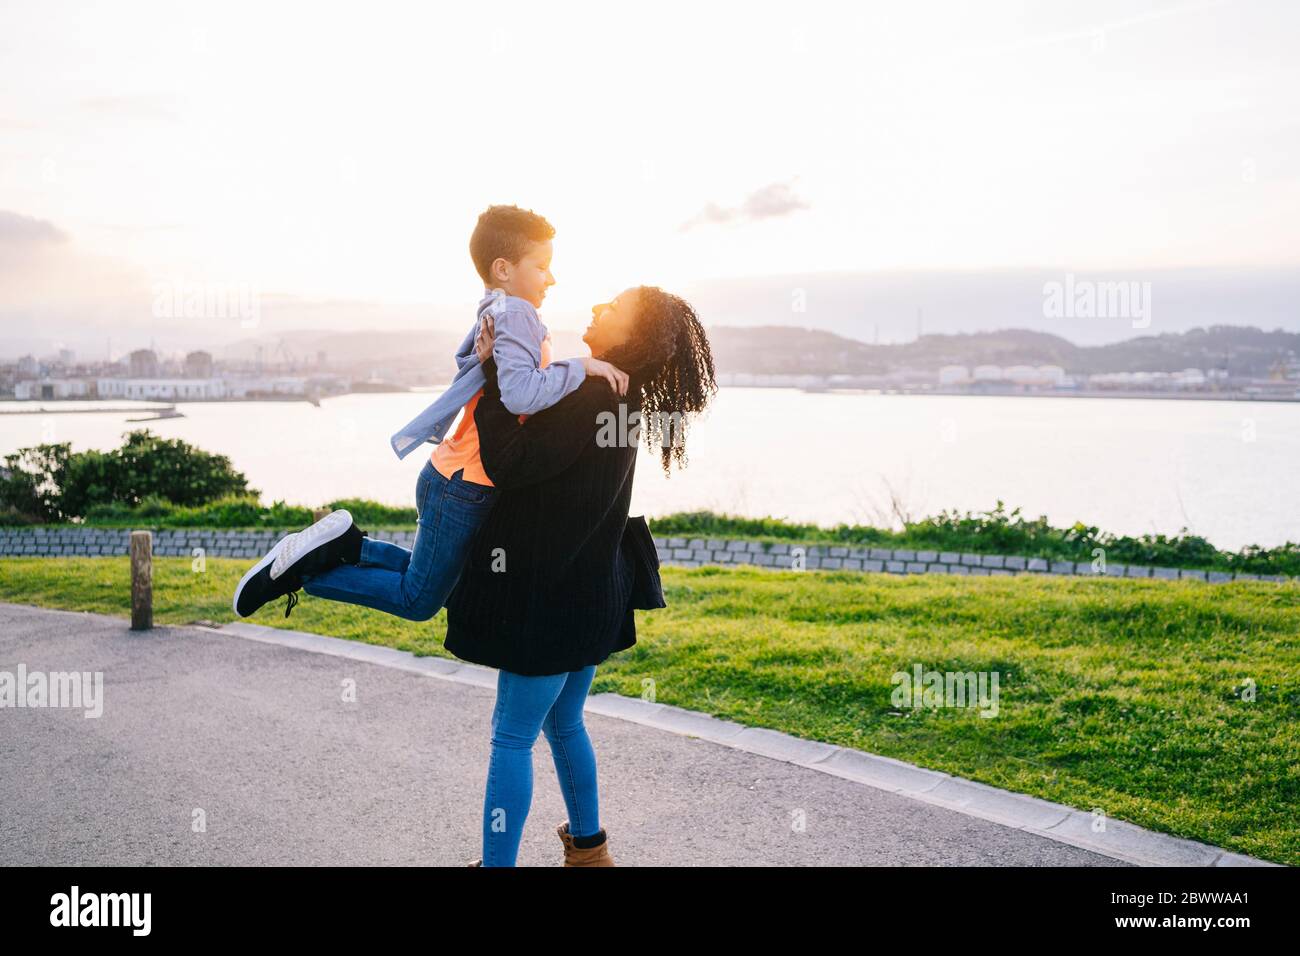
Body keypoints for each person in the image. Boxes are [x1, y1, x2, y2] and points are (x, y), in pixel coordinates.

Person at [231, 204, 628, 620]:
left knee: (428, 578)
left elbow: (472, 368)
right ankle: (301, 571)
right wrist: (580, 366)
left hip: (453, 477)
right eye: (542, 266)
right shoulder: (518, 314)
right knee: (418, 600)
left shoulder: (496, 309)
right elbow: (521, 395)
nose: (552, 277)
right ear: (504, 269)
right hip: (464, 484)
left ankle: (348, 546)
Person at [449, 285, 717, 866]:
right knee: (564, 722)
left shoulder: (596, 393)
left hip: (552, 595)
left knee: (512, 736)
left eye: (614, 309)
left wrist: (494, 376)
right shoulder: (627, 397)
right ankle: (590, 853)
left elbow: (512, 463)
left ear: (636, 335)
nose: (598, 309)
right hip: (593, 590)